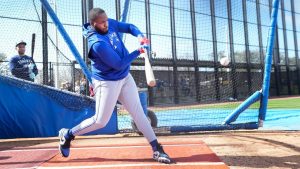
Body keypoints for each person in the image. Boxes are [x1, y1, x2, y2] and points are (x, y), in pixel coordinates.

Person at [58, 8, 172, 164]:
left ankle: (157, 148)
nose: (106, 24)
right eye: (102, 23)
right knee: (100, 121)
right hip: (106, 82)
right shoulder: (97, 43)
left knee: (139, 113)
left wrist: (141, 37)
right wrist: (139, 50)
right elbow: (118, 64)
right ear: (93, 24)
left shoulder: (108, 23)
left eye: (106, 20)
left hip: (124, 77)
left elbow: (130, 27)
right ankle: (68, 134)